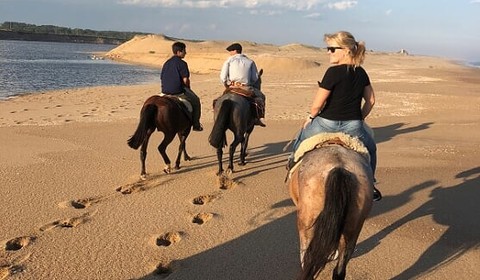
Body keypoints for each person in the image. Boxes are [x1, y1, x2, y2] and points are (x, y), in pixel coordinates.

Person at [289, 31, 382, 201]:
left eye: (332, 49)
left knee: (300, 139)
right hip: (353, 127)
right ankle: (372, 184)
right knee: (371, 149)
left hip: (325, 124)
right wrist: (359, 119)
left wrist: (310, 118)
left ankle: (291, 169)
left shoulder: (332, 72)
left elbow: (317, 104)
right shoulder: (361, 73)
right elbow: (371, 101)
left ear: (346, 50)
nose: (328, 52)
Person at [220, 43, 266, 127]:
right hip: (246, 87)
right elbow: (255, 78)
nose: (230, 53)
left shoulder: (229, 60)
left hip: (232, 87)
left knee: (218, 100)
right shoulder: (250, 61)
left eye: (231, 51)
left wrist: (227, 85)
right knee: (261, 97)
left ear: (235, 51)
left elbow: (223, 77)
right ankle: (258, 118)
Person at [161, 41, 203, 131]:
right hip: (178, 92)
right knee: (196, 101)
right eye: (184, 51)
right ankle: (196, 124)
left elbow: (162, 77)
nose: (185, 53)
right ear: (179, 52)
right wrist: (188, 88)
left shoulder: (166, 63)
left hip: (164, 91)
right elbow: (185, 80)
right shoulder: (182, 63)